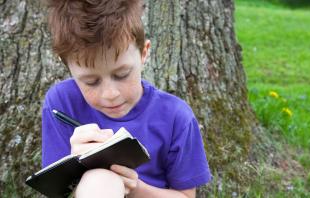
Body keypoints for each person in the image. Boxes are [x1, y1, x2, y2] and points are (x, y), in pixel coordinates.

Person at [42, 0, 211, 197]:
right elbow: (54, 191)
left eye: (121, 75)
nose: (110, 94)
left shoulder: (176, 116)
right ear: (67, 66)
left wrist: (134, 188)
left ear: (143, 53)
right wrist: (72, 164)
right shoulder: (62, 103)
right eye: (91, 81)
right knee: (99, 179)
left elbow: (186, 196)